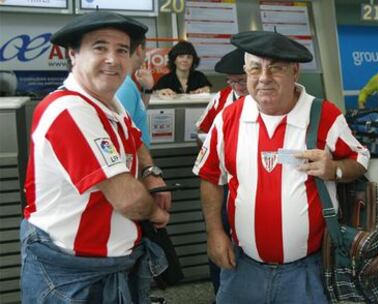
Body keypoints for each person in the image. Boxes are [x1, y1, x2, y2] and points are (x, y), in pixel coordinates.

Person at [193, 30, 370, 304]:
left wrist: (333, 168)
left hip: (308, 272)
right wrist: (214, 232)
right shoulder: (229, 118)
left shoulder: (324, 115)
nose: (264, 78)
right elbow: (210, 176)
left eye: (276, 69)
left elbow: (360, 160)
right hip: (243, 269)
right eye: (255, 68)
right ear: (245, 71)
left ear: (295, 72)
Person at [21, 11, 172, 303]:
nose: (113, 59)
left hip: (113, 264)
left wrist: (151, 172)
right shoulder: (71, 111)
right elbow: (126, 197)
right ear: (73, 55)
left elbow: (135, 139)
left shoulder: (110, 102)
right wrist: (156, 214)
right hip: (73, 274)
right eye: (100, 47)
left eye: (122, 50)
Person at [195, 48, 247, 296]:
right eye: (231, 80)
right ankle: (220, 293)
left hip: (260, 185)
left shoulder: (273, 98)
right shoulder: (222, 98)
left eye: (241, 80)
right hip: (225, 183)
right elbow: (201, 132)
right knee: (220, 239)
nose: (236, 86)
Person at [117, 34, 153, 147]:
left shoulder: (128, 83)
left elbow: (137, 115)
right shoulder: (124, 86)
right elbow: (124, 135)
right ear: (139, 50)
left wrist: (147, 89)